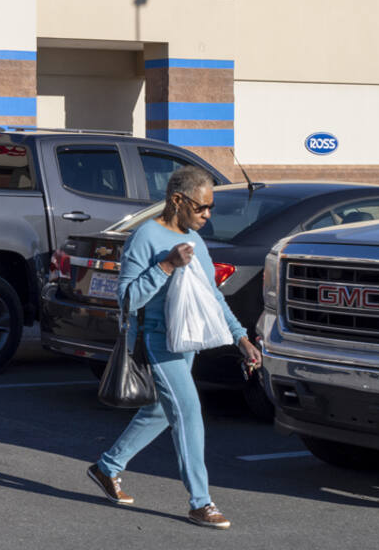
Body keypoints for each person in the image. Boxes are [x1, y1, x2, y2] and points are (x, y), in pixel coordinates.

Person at [87, 165, 262, 529]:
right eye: (201, 208)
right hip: (156, 340)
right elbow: (128, 298)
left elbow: (212, 295)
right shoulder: (145, 237)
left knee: (160, 413)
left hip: (187, 340)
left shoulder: (196, 241)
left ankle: (107, 467)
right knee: (189, 412)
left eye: (210, 208)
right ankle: (201, 502)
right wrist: (166, 265)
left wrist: (241, 338)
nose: (207, 215)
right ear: (178, 200)